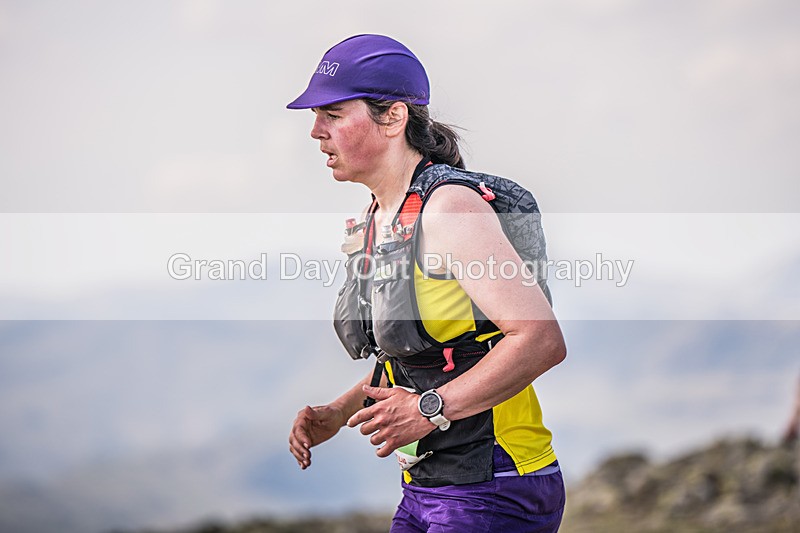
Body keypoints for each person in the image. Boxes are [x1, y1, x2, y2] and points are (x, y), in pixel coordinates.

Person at [286, 34, 567, 532]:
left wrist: (429, 410)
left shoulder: (449, 210)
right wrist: (339, 411)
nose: (315, 131)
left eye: (333, 114)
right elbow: (421, 354)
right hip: (427, 488)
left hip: (494, 484)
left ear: (393, 117)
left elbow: (541, 339)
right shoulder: (383, 216)